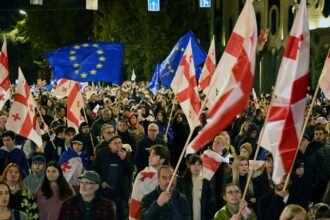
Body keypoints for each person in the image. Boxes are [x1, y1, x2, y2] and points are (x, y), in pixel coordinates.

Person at [93, 135, 134, 220]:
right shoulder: (102, 153)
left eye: (120, 143)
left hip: (121, 190)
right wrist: (101, 182)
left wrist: (124, 159)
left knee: (121, 215)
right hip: (105, 190)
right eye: (115, 143)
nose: (118, 145)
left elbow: (131, 170)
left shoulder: (125, 154)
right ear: (109, 145)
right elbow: (95, 169)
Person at [129, 144, 170, 220]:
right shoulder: (143, 175)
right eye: (150, 155)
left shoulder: (169, 175)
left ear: (162, 159)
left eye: (154, 155)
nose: (150, 157)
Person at [176, 154, 216, 220]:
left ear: (201, 166)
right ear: (189, 166)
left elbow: (210, 204)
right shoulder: (181, 182)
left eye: (198, 164)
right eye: (194, 164)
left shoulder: (206, 183)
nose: (196, 167)